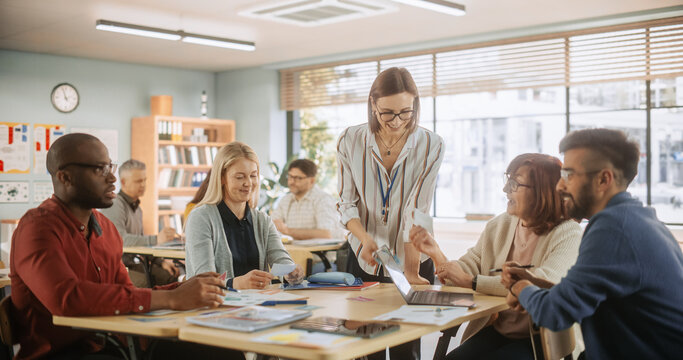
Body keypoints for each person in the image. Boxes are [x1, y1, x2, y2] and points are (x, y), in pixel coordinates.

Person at [9, 133, 238, 359]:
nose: (112, 179)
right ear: (65, 177)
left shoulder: (105, 229)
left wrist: (182, 289)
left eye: (111, 167)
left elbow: (128, 294)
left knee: (222, 351)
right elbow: (66, 299)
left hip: (113, 346)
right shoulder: (37, 228)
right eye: (100, 169)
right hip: (61, 353)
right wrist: (172, 299)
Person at [504, 129, 683, 359]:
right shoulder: (635, 218)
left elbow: (554, 313)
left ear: (603, 180)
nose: (559, 186)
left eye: (568, 175)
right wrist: (533, 283)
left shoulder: (614, 229)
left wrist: (520, 289)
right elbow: (583, 295)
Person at [410, 153, 583, 359]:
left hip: (542, 339)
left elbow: (543, 282)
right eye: (507, 180)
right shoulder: (500, 225)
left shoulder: (568, 232)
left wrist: (472, 282)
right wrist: (436, 253)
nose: (505, 190)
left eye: (514, 184)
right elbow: (469, 267)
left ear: (542, 192)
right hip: (500, 331)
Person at [336, 67, 444, 360]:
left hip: (411, 258)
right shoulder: (350, 140)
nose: (397, 122)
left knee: (405, 351)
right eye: (387, 113)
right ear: (373, 104)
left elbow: (417, 210)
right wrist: (365, 238)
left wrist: (410, 271)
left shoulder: (431, 145)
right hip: (364, 259)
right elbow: (346, 203)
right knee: (365, 346)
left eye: (405, 112)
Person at [185, 141, 304, 289]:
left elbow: (281, 260)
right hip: (214, 308)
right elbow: (202, 279)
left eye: (253, 176)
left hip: (257, 307)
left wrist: (291, 273)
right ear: (222, 178)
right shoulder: (201, 217)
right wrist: (237, 283)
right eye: (240, 177)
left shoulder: (262, 220)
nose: (248, 183)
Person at [99, 159, 180, 287]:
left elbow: (141, 244)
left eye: (144, 180)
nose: (143, 185)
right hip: (116, 268)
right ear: (124, 182)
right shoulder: (115, 204)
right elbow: (121, 240)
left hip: (133, 265)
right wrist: (156, 239)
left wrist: (161, 262)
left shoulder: (137, 209)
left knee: (172, 276)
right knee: (150, 282)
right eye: (138, 181)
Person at [272, 159, 341, 240]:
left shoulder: (323, 200)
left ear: (312, 180)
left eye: (298, 178)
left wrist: (287, 231)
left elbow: (326, 234)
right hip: (295, 251)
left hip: (320, 252)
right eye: (290, 176)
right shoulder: (286, 200)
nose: (291, 182)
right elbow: (273, 224)